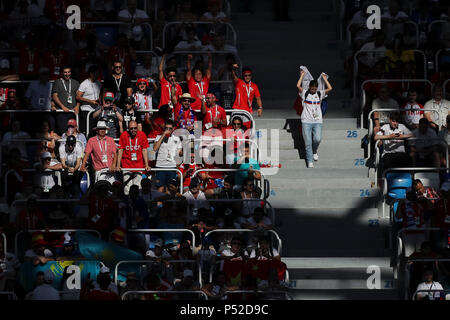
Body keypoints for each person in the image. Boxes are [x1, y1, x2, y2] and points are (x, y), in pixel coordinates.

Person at [297, 71, 333, 168]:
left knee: (317, 138)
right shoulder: (305, 93)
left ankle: (314, 150)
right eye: (312, 89)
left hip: (317, 121)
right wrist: (302, 76)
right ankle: (309, 161)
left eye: (315, 89)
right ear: (309, 87)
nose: (313, 90)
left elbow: (330, 88)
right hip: (306, 121)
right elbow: (298, 86)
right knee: (307, 142)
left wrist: (325, 79)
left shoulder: (319, 93)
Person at [116, 120, 151, 194]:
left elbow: (144, 150)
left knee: (137, 187)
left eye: (135, 128)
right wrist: (118, 165)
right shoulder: (124, 135)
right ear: (128, 128)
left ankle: (137, 204)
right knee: (127, 187)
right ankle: (127, 204)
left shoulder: (142, 135)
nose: (133, 130)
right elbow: (120, 150)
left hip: (138, 165)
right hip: (127, 165)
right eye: (131, 128)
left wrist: (147, 165)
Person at [153, 120, 183, 193]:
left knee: (171, 189)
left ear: (173, 129)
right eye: (166, 128)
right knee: (160, 189)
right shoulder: (158, 137)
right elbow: (155, 148)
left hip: (171, 167)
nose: (168, 130)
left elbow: (179, 153)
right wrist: (163, 135)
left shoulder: (177, 138)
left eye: (170, 128)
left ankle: (170, 204)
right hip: (160, 166)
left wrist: (182, 154)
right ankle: (159, 204)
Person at [51, 66, 80, 135]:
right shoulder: (57, 82)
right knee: (63, 132)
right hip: (61, 112)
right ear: (62, 73)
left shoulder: (75, 82)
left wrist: (77, 106)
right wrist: (62, 107)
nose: (67, 74)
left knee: (73, 132)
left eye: (68, 72)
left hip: (72, 112)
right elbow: (54, 96)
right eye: (65, 72)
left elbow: (79, 96)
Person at [76, 64, 102, 134]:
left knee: (96, 129)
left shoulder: (99, 83)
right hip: (86, 110)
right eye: (95, 73)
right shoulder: (84, 84)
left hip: (96, 109)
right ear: (91, 74)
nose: (97, 75)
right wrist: (90, 101)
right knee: (88, 129)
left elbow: (99, 95)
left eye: (98, 73)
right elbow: (78, 97)